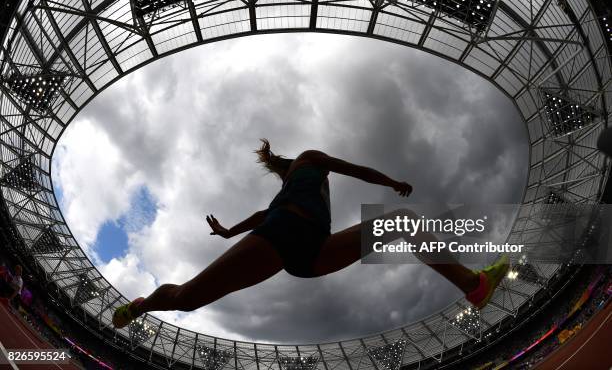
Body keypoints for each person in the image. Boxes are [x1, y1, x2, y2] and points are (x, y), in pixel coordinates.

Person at [113, 139, 509, 328]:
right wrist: (229, 231)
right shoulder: (300, 172)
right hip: (282, 235)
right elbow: (262, 216)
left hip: (315, 248)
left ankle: (473, 287)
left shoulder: (308, 169)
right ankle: (142, 305)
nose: (281, 177)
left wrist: (389, 182)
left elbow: (351, 170)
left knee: (401, 222)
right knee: (186, 298)